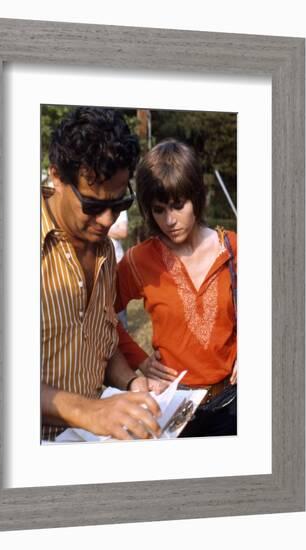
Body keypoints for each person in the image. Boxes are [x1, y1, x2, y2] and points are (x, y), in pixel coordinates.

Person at [41, 106, 162, 442]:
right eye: (94, 205)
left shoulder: (106, 252)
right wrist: (88, 411)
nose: (108, 220)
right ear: (57, 177)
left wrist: (132, 382)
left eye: (120, 205)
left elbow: (102, 344)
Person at [115, 139, 237, 437]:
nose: (169, 220)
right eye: (158, 209)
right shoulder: (139, 259)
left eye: (178, 205)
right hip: (174, 409)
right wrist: (139, 360)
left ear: (197, 197)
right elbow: (100, 314)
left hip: (235, 404)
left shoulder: (234, 247)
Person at [108, 210, 129, 328]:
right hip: (96, 263)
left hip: (116, 263)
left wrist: (101, 228)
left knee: (119, 310)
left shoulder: (120, 209)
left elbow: (123, 232)